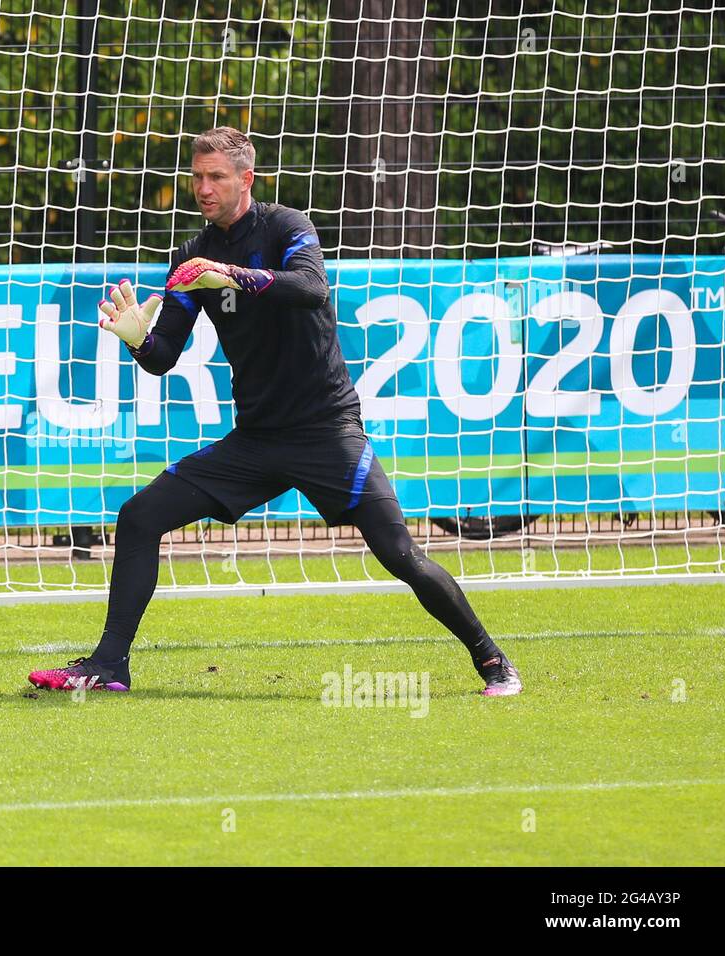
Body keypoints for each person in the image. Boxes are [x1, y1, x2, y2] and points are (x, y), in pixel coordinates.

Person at [27, 127, 522, 698]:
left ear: (246, 179)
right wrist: (139, 339)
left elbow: (311, 287)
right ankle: (109, 665)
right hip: (257, 441)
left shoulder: (286, 227)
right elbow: (164, 355)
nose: (204, 188)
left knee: (401, 554)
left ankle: (493, 661)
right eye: (197, 176)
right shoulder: (190, 257)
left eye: (216, 177)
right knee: (140, 516)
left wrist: (236, 275)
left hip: (326, 432)